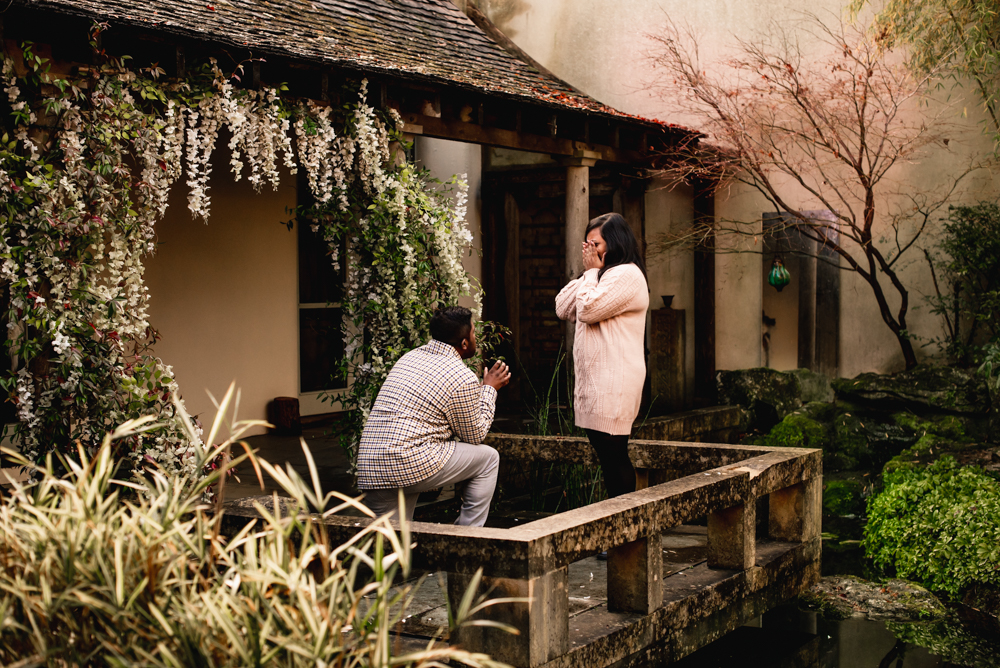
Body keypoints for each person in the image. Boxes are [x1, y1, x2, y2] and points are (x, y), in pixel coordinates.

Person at [357, 306, 511, 527]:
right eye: (474, 333)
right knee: (488, 459)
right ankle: (467, 538)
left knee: (392, 549)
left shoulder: (408, 358)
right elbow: (475, 435)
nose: (476, 338)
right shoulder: (461, 376)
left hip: (372, 468)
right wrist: (489, 389)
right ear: (464, 343)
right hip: (410, 462)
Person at [555, 212, 649, 500]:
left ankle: (625, 534)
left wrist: (592, 274)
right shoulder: (599, 276)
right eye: (586, 243)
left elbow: (587, 310)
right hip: (595, 382)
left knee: (614, 457)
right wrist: (590, 273)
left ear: (615, 242)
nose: (588, 250)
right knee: (608, 458)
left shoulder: (627, 274)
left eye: (594, 243)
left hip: (614, 381)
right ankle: (620, 533)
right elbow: (563, 307)